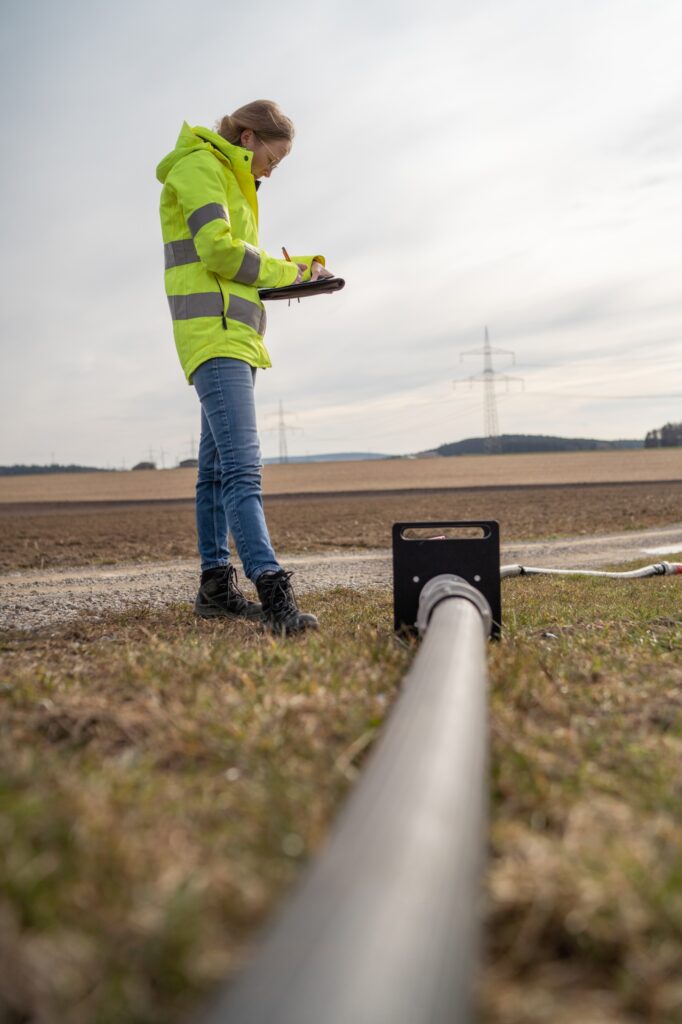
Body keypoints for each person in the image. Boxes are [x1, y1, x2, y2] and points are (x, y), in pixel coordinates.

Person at [156, 100, 331, 635]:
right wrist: (289, 268)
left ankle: (215, 588)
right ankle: (274, 592)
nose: (271, 172)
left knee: (214, 473)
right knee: (242, 470)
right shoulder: (200, 168)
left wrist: (297, 273)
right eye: (272, 160)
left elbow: (235, 267)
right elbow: (219, 253)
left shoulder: (229, 176)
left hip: (236, 337)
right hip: (217, 338)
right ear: (249, 136)